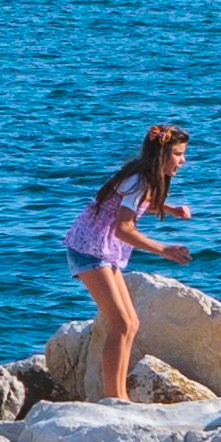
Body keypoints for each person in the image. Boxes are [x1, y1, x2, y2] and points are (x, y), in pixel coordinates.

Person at [64, 124, 193, 400]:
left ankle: (120, 396)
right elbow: (124, 228)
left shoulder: (143, 176)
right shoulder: (139, 180)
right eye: (179, 154)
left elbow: (137, 205)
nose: (183, 161)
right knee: (121, 323)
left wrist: (169, 209)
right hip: (90, 249)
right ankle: (114, 398)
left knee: (131, 323)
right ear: (162, 154)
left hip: (102, 249)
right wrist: (164, 249)